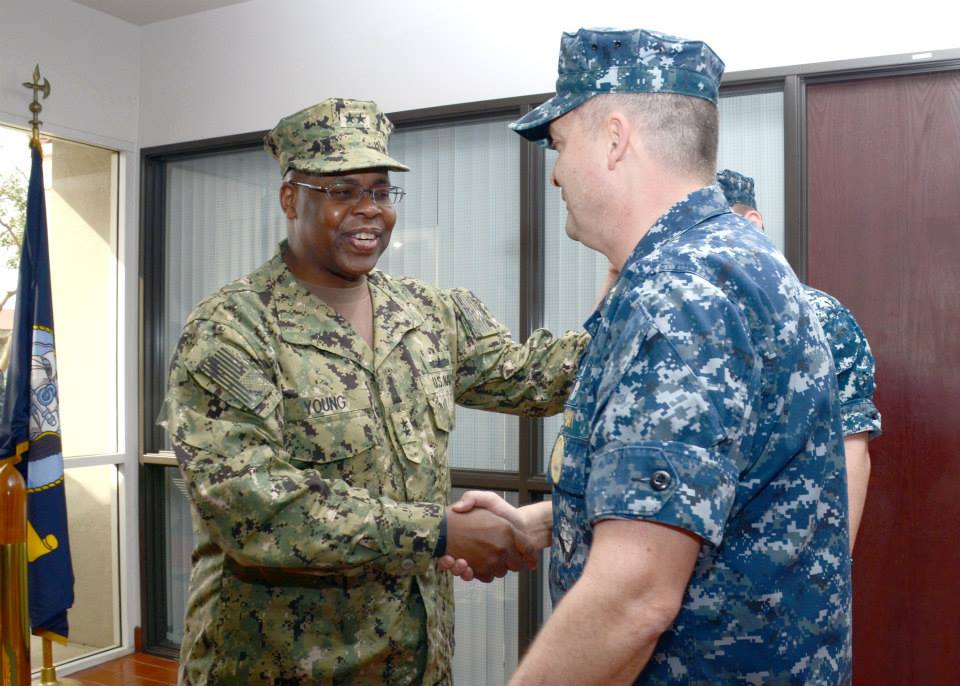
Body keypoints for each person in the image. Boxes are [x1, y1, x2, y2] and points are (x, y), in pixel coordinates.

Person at [444, 28, 851, 684]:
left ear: (613, 138)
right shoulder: (723, 262)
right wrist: (542, 521)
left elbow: (634, 599)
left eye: (559, 143)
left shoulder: (680, 292)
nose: (553, 172)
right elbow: (708, 489)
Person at [160, 97, 594, 686]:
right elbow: (251, 507)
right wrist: (439, 530)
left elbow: (533, 379)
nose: (370, 211)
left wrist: (635, 287)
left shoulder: (426, 312)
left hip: (416, 659)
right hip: (278, 665)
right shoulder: (232, 329)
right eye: (342, 192)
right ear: (291, 198)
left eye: (382, 192)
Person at [716, 168, 882, 549]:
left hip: (785, 565)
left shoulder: (820, 318)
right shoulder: (673, 317)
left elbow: (851, 451)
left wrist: (841, 566)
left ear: (751, 224)